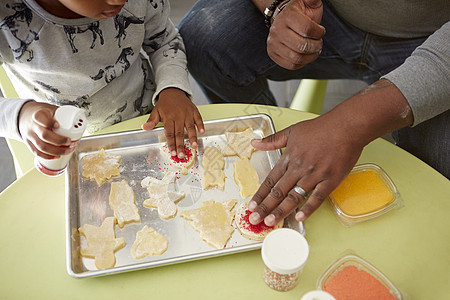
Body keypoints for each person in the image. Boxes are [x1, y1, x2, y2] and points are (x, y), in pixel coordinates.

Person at [178, 0, 450, 226]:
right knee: (204, 37)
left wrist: (348, 125)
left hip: (434, 36)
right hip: (329, 15)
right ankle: (276, 154)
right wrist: (278, 7)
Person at [0, 0, 204, 162]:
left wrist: (172, 89)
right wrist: (20, 117)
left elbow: (165, 42)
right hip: (67, 148)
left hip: (148, 122)